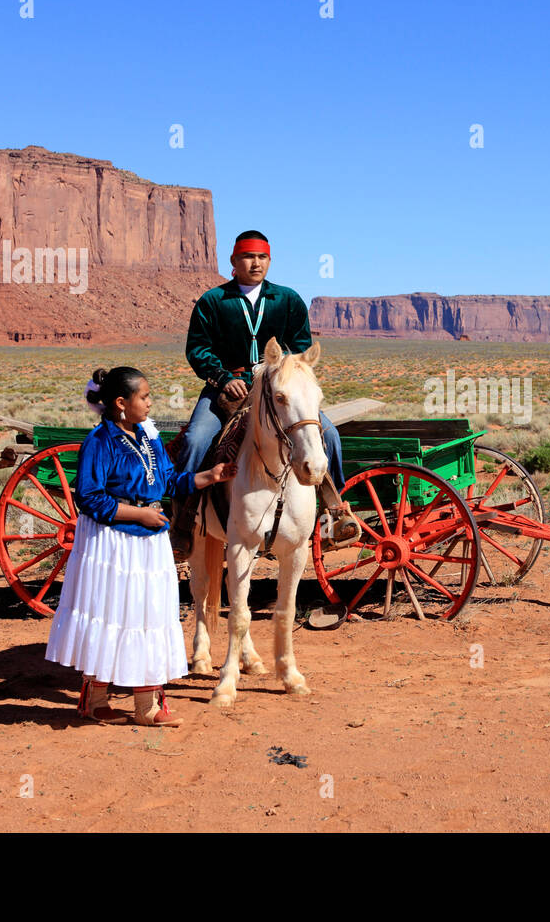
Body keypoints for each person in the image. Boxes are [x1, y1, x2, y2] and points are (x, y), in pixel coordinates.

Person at [46, 366, 235, 725]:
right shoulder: (99, 443)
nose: (150, 403)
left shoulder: (147, 437)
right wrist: (139, 515)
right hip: (113, 545)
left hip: (148, 545)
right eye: (144, 397)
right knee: (114, 614)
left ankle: (147, 706)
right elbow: (89, 498)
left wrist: (208, 476)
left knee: (148, 615)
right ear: (121, 403)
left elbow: (166, 480)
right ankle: (96, 700)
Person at [169, 229, 356, 553]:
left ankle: (333, 515)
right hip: (227, 388)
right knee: (197, 438)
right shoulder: (213, 302)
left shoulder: (288, 300)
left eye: (262, 257)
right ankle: (183, 521)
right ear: (234, 260)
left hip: (277, 388)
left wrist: (276, 371)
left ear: (269, 260)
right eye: (248, 256)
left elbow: (299, 348)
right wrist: (223, 378)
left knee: (328, 435)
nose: (255, 263)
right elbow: (197, 348)